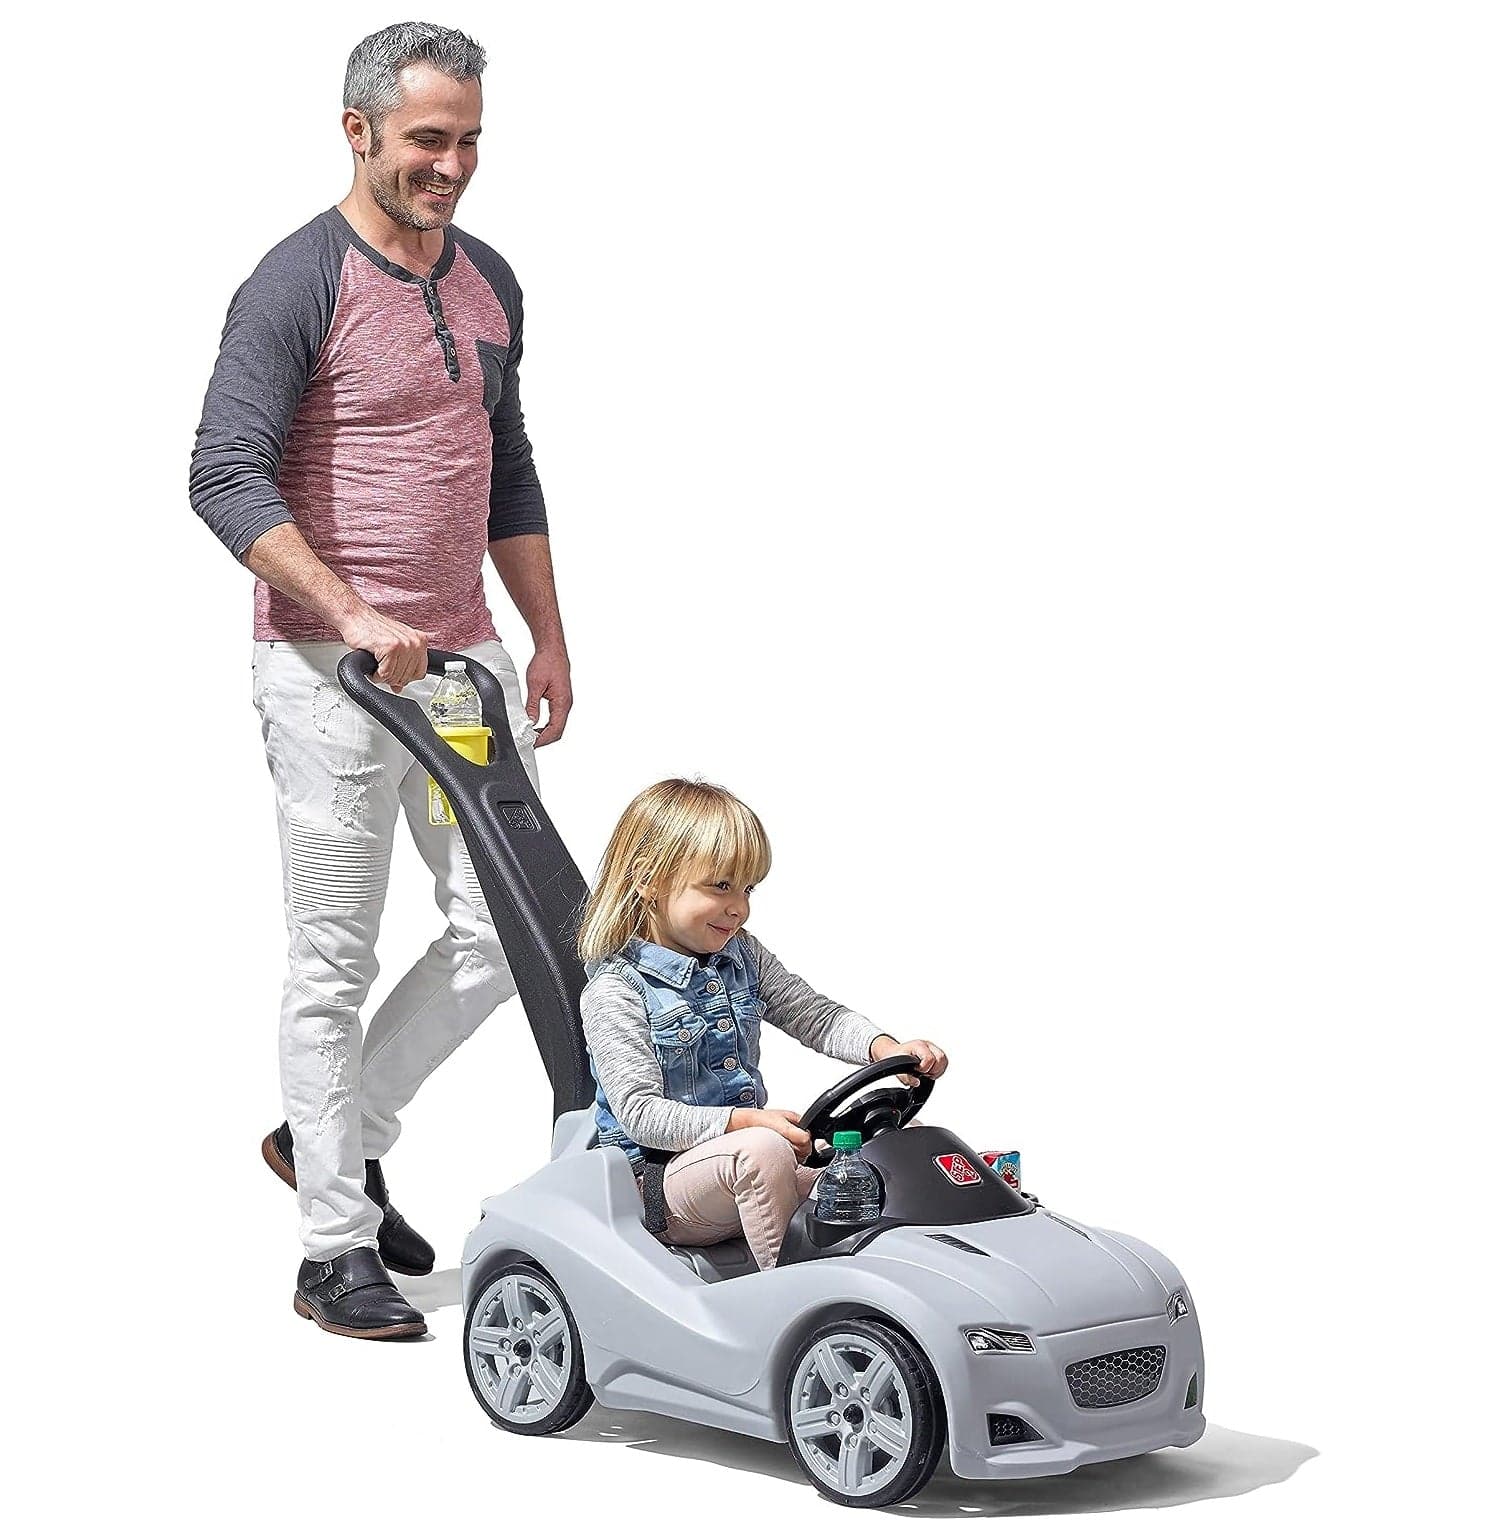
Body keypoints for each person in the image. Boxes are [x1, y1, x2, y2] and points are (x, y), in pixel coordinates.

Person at [189, 22, 572, 1340]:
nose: (450, 165)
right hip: (325, 668)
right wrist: (351, 611)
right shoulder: (295, 283)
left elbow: (505, 464)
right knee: (331, 959)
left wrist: (547, 634)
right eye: (426, 140)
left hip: (461, 662)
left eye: (468, 140)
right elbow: (222, 474)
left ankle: (335, 1135)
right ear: (356, 132)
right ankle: (331, 1247)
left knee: (511, 931)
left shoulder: (490, 280)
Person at [578, 780, 948, 1271]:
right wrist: (744, 1121)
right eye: (721, 886)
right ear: (649, 879)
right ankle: (797, 1292)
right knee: (762, 1150)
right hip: (660, 1184)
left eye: (747, 889)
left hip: (746, 1163)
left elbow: (814, 1014)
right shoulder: (616, 991)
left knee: (898, 1140)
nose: (740, 907)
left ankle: (917, 1275)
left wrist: (884, 1047)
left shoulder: (742, 955)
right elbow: (641, 1114)